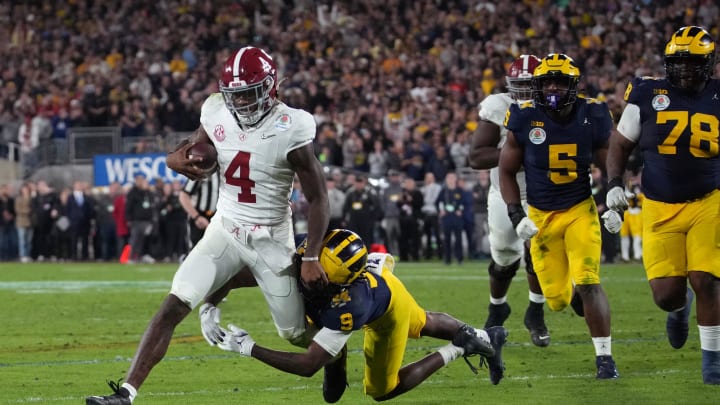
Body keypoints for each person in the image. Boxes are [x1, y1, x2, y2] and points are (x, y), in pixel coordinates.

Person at [86, 46, 330, 404]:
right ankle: (126, 393)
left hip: (271, 235)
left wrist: (310, 257)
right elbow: (191, 147)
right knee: (175, 301)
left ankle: (333, 353)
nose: (242, 102)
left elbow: (320, 198)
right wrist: (174, 161)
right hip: (226, 226)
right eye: (235, 95)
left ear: (271, 87)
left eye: (250, 93)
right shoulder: (216, 109)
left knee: (294, 333)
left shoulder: (290, 126)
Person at [213, 229, 509, 402]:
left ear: (339, 283)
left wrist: (248, 347)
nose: (307, 274)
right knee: (423, 319)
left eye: (318, 278)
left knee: (381, 389)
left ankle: (460, 346)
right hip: (378, 285)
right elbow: (261, 272)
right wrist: (212, 300)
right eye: (307, 264)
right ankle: (487, 336)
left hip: (385, 311)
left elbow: (307, 365)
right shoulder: (310, 251)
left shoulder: (349, 303)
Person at [605, 26, 720, 384]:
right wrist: (613, 184)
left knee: (707, 279)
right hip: (658, 204)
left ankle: (712, 363)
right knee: (666, 295)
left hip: (709, 200)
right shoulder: (646, 93)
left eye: (692, 62)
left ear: (709, 63)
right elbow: (620, 144)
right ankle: (679, 308)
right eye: (678, 62)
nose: (684, 70)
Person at [498, 53, 619, 379]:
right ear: (536, 85)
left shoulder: (592, 113)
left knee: (589, 281)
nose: (552, 87)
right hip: (542, 216)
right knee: (556, 301)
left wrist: (614, 200)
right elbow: (506, 170)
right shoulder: (523, 116)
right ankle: (572, 297)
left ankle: (605, 360)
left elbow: (611, 164)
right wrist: (515, 214)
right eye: (546, 81)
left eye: (560, 81)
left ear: (573, 85)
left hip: (580, 209)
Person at [469, 54, 550, 347]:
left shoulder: (557, 105)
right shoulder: (498, 107)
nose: (525, 92)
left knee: (538, 255)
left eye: (531, 85)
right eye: (519, 85)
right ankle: (497, 306)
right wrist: (525, 155)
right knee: (504, 259)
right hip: (504, 192)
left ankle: (536, 311)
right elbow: (477, 156)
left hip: (544, 194)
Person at [179, 170, 220, 248]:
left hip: (216, 218)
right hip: (199, 216)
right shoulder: (201, 171)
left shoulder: (223, 172)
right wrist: (196, 217)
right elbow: (183, 195)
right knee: (194, 251)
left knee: (216, 252)